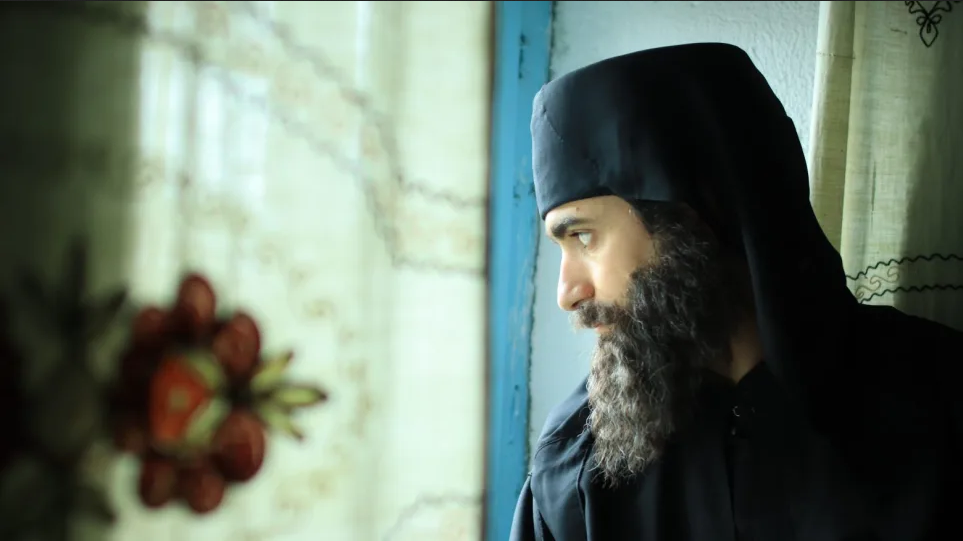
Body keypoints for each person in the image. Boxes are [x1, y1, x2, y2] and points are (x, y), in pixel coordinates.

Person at [509, 43, 963, 541]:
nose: (567, 293)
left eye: (583, 237)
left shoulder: (942, 404)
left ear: (695, 213)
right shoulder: (572, 468)